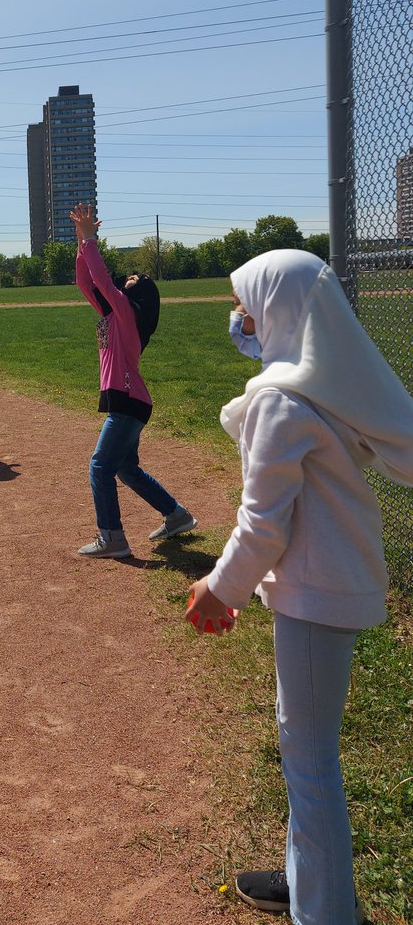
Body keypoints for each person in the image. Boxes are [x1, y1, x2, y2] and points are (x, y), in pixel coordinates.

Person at [186, 249, 413, 925]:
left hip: (316, 596)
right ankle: (304, 879)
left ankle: (324, 912)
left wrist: (221, 589)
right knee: (303, 749)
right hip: (331, 589)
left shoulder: (283, 401)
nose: (239, 318)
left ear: (280, 314)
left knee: (308, 760)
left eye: (247, 306)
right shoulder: (315, 389)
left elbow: (263, 525)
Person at [70, 203, 196, 558]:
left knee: (100, 467)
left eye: (136, 279)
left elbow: (103, 282)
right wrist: (82, 241)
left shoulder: (127, 312)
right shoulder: (114, 315)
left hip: (127, 404)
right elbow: (86, 281)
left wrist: (92, 241)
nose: (130, 276)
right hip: (131, 402)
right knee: (125, 468)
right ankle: (177, 515)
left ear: (140, 296)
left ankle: (112, 538)